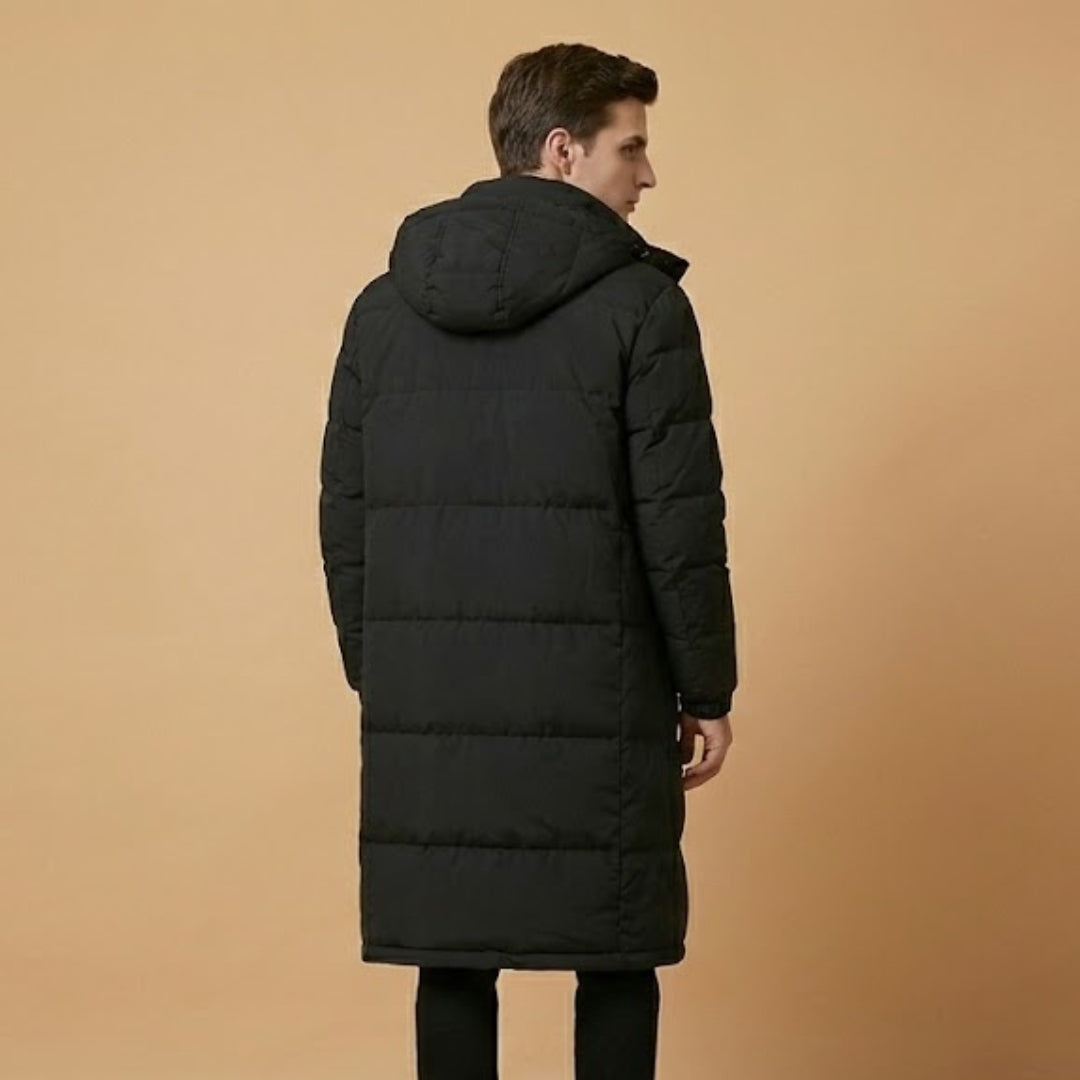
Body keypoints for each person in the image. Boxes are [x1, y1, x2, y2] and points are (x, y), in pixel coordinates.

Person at [318, 41, 738, 1080]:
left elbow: (346, 517)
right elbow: (680, 522)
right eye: (631, 148)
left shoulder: (382, 310)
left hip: (430, 698)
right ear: (561, 150)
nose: (647, 174)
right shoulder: (643, 305)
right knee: (616, 951)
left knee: (452, 956)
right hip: (604, 696)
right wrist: (706, 687)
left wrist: (385, 670)